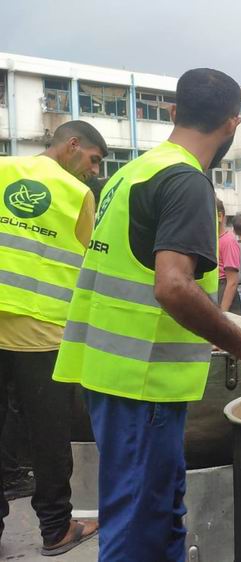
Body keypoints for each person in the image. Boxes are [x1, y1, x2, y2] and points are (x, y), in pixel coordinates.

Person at [51, 68, 241, 561]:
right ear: (233, 125)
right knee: (137, 528)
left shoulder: (131, 173)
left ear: (174, 112)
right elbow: (173, 285)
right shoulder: (185, 181)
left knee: (158, 516)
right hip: (142, 381)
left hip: (113, 375)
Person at [0, 120, 107, 556]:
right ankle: (56, 529)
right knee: (49, 434)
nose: (95, 172)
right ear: (73, 145)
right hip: (41, 330)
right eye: (94, 160)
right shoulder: (76, 194)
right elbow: (90, 265)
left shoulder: (3, 168)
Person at [216, 198, 241, 315]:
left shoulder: (228, 241)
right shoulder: (211, 240)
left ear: (219, 216)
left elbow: (232, 282)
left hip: (224, 292)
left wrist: (222, 313)